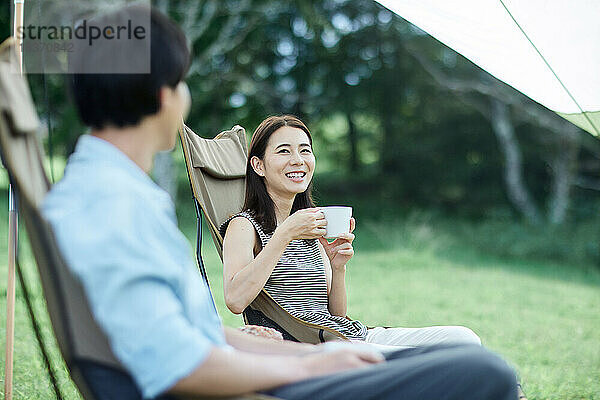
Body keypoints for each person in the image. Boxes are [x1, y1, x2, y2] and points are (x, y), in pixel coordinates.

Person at [43, 5, 518, 400]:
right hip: (247, 386)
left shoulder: (111, 193)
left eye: (304, 150)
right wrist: (308, 370)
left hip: (295, 352)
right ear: (163, 96)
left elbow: (192, 337)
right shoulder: (111, 207)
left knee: (466, 354)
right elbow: (179, 366)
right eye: (184, 82)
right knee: (485, 373)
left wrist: (310, 355)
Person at [221, 115, 480, 350]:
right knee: (441, 361)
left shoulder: (311, 225)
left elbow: (336, 315)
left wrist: (337, 267)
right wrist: (284, 234)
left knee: (464, 339)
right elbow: (235, 300)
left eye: (305, 151)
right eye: (284, 151)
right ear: (258, 165)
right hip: (319, 349)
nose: (298, 160)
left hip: (353, 336)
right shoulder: (244, 226)